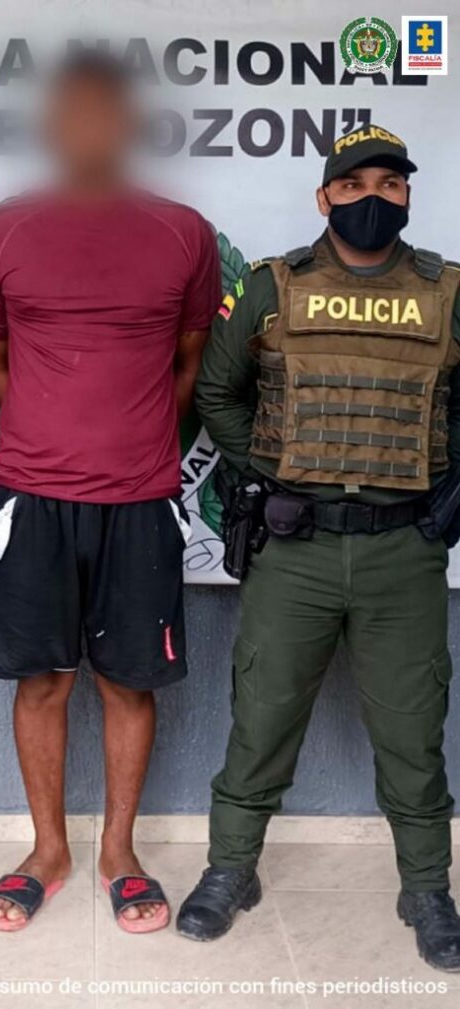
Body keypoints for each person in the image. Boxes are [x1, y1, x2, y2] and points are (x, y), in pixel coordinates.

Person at [177, 124, 460, 972]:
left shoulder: (448, 291)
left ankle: (427, 887)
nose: (374, 199)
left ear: (408, 195)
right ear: (324, 196)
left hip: (402, 548)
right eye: (354, 185)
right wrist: (261, 470)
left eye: (391, 185)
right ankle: (230, 870)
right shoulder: (270, 288)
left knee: (413, 729)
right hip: (293, 548)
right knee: (261, 716)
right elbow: (216, 392)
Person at [0, 52, 222, 933]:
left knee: (128, 683)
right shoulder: (2, 233)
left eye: (103, 112)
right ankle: (49, 850)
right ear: (48, 126)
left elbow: (188, 362)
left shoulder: (184, 232)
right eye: (69, 112)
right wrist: (52, 430)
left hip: (141, 496)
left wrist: (127, 432)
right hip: (33, 497)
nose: (87, 128)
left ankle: (118, 850)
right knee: (39, 680)